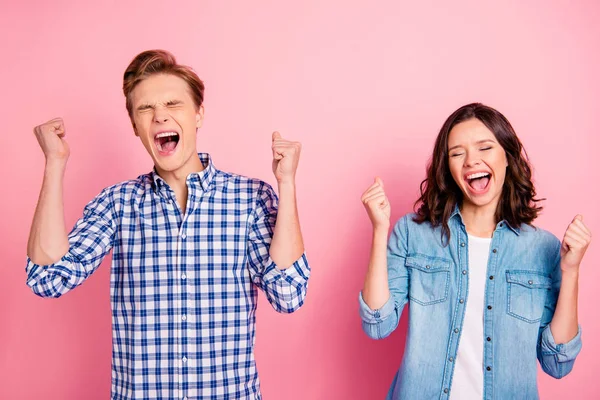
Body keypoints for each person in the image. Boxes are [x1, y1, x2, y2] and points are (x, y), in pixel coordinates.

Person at [26, 49, 310, 400]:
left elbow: (288, 294)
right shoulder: (118, 203)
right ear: (135, 126)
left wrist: (287, 183)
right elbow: (47, 276)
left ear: (198, 114)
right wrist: (54, 162)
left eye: (173, 104)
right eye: (146, 109)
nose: (159, 116)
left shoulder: (251, 199)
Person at [359, 103, 590, 399]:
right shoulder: (413, 234)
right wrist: (380, 229)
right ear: (449, 168)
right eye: (457, 153)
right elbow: (377, 323)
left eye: (485, 148)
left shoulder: (542, 249)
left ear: (507, 157)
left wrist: (570, 271)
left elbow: (558, 363)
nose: (471, 161)